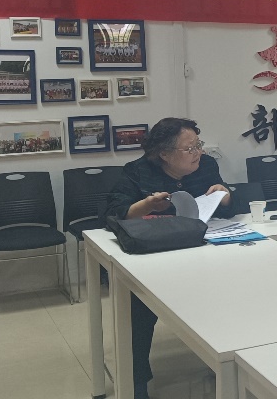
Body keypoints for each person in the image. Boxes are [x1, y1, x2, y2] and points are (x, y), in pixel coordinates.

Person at [103, 118, 234, 399]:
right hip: (154, 256)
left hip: (202, 252)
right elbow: (113, 213)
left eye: (198, 145)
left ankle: (226, 363)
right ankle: (136, 381)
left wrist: (224, 195)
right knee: (137, 308)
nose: (198, 152)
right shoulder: (137, 171)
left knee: (229, 294)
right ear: (164, 153)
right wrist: (146, 205)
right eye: (190, 148)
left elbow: (225, 207)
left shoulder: (207, 166)